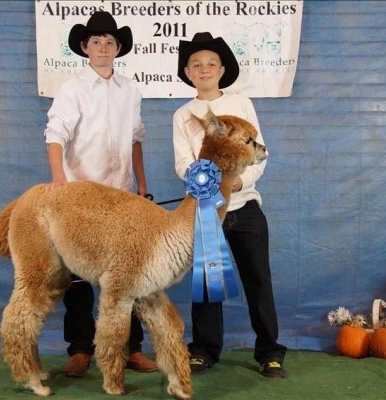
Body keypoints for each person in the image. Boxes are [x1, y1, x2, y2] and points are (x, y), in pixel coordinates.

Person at [43, 11, 157, 377]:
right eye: (96, 42)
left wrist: (141, 185)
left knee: (129, 275)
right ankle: (80, 349)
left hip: (122, 196)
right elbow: (55, 133)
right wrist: (60, 180)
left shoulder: (130, 89)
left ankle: (131, 348)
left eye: (110, 42)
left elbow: (135, 139)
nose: (103, 48)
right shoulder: (72, 88)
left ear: (118, 48)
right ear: (84, 47)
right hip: (81, 195)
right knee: (77, 275)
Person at [172, 32, 287, 378]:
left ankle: (269, 351)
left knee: (258, 281)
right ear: (188, 72)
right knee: (207, 283)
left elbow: (259, 153)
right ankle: (204, 350)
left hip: (245, 206)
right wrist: (203, 179)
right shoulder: (183, 115)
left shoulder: (241, 104)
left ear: (222, 69)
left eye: (210, 63)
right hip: (207, 207)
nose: (204, 69)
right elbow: (182, 162)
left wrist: (238, 182)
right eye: (196, 64)